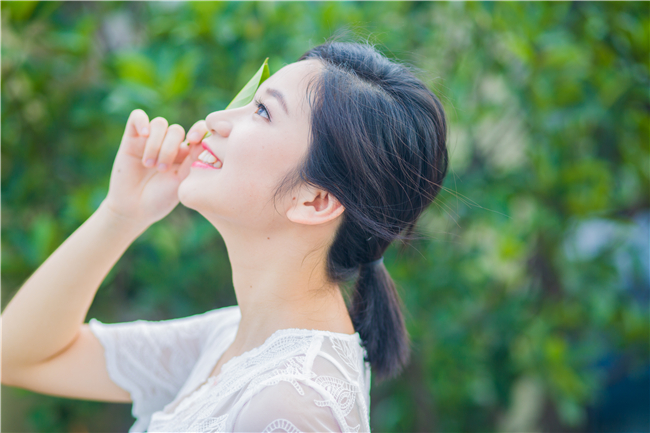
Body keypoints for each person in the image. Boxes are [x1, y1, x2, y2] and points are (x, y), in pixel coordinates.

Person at [2, 41, 448, 432]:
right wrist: (122, 214)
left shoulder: (291, 406)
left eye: (262, 111)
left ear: (315, 200)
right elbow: (19, 356)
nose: (217, 119)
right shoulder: (231, 338)